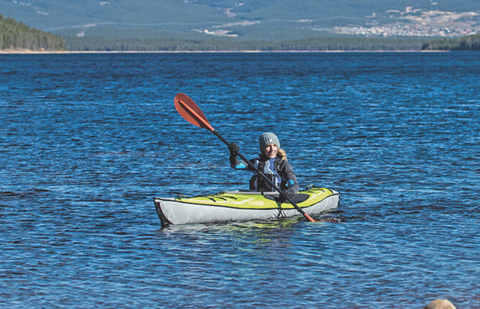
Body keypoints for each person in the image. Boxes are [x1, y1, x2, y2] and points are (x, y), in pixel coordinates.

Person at [228, 132, 299, 202]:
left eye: (274, 145)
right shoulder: (256, 163)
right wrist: (233, 155)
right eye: (268, 146)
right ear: (263, 148)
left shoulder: (283, 164)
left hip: (275, 198)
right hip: (256, 198)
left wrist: (290, 191)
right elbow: (236, 165)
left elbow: (294, 184)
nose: (272, 149)